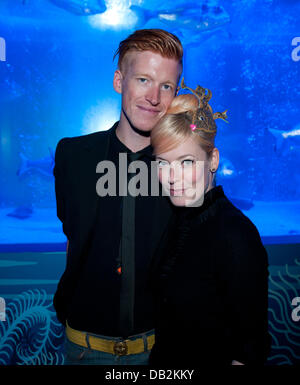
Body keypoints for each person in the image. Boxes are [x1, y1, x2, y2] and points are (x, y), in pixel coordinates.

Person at [53, 29, 183, 365]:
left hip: (161, 351)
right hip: (83, 349)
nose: (154, 96)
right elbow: (72, 228)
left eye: (166, 86)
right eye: (143, 79)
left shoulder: (184, 170)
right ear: (118, 81)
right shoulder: (73, 156)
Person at [148, 79, 271, 366]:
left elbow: (248, 349)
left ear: (213, 159)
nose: (171, 176)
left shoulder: (235, 235)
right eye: (163, 163)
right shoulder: (179, 219)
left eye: (186, 162)